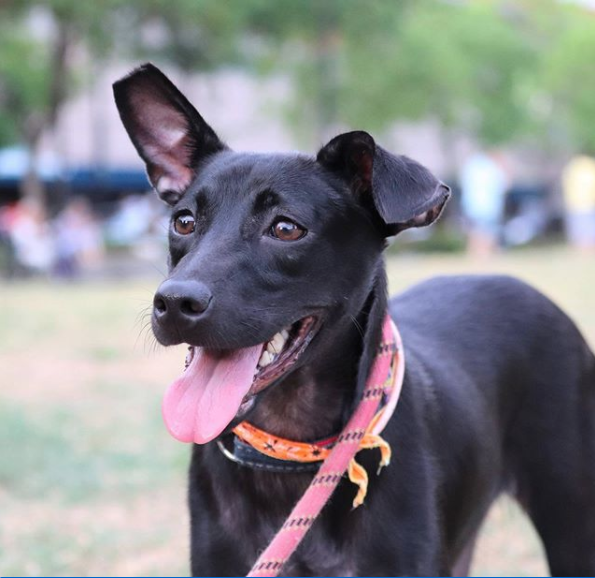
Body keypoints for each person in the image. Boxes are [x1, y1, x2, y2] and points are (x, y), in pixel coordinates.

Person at [459, 150, 509, 257]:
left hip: (472, 204)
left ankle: (475, 253)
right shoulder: (493, 168)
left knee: (475, 230)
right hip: (489, 206)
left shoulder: (471, 165)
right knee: (488, 230)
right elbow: (503, 185)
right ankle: (484, 253)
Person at [561, 154, 595, 253]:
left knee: (581, 232)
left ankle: (584, 250)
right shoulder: (590, 166)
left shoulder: (572, 167)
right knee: (587, 232)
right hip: (586, 203)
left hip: (576, 204)